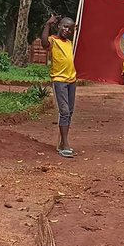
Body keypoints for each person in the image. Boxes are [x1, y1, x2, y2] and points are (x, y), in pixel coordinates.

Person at [41, 14, 77, 158]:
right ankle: (65, 143)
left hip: (72, 79)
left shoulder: (70, 43)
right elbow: (44, 44)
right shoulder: (54, 40)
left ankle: (62, 142)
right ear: (59, 26)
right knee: (65, 111)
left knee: (70, 111)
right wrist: (47, 25)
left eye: (70, 29)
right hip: (60, 80)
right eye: (65, 26)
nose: (67, 30)